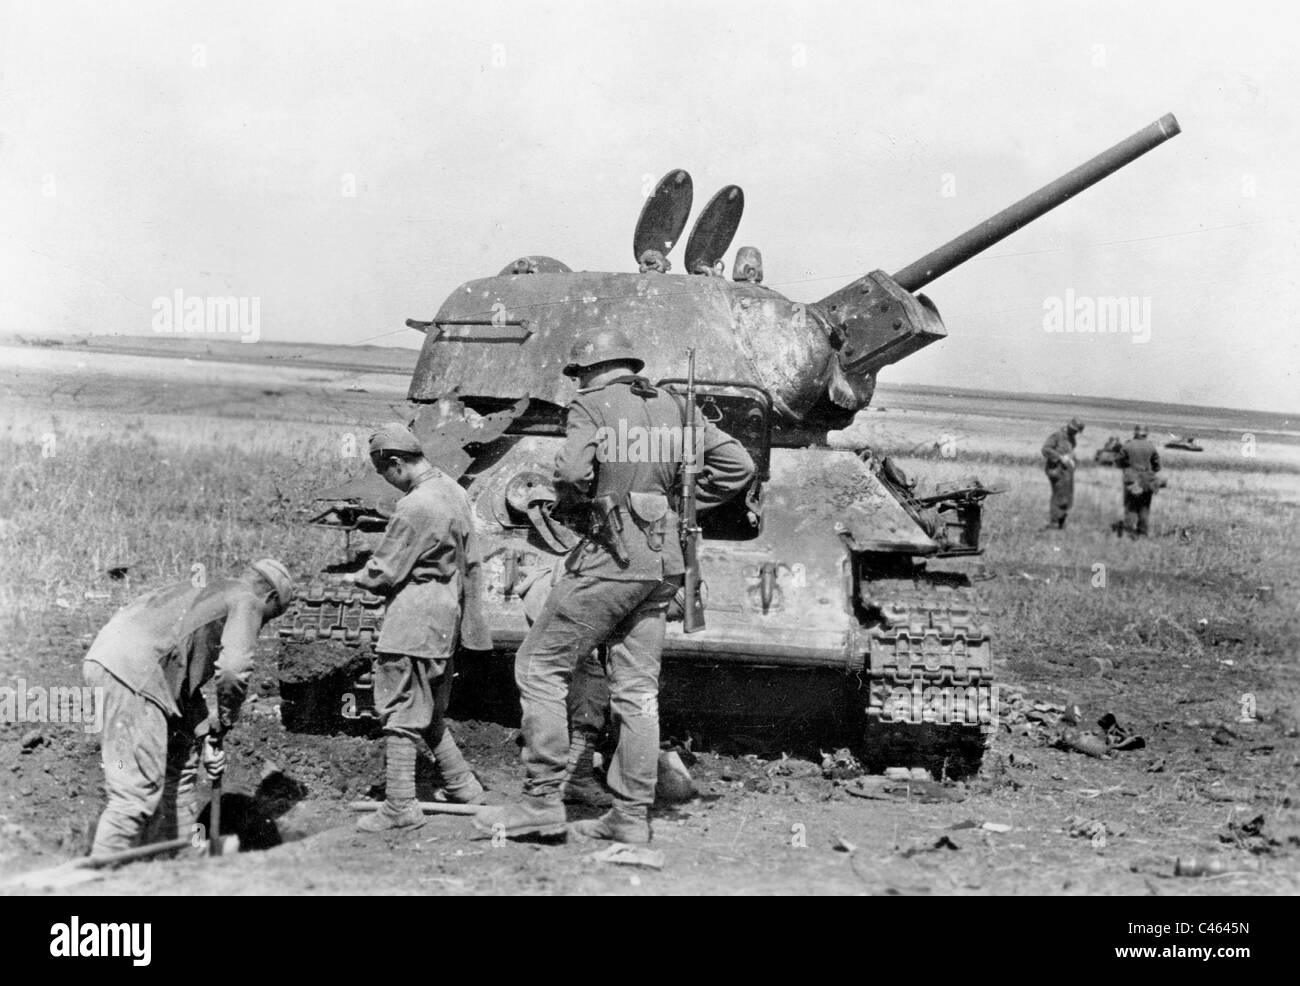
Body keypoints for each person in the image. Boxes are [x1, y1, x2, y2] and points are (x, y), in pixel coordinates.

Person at [477, 328, 754, 843]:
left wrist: (588, 498)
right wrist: (676, 507)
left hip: (610, 557)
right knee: (638, 692)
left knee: (539, 666)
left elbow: (576, 472)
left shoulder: (592, 405)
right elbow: (738, 466)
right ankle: (629, 818)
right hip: (664, 563)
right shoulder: (675, 404)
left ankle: (540, 801)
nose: (578, 381)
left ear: (589, 369)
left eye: (579, 373)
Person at [83, 558, 294, 856]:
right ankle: (99, 879)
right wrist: (225, 719)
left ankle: (180, 864)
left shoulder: (209, 592)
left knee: (181, 770)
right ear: (271, 599)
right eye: (270, 616)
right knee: (134, 794)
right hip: (137, 676)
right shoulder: (248, 599)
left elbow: (181, 676)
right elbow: (234, 670)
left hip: (114, 661)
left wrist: (208, 737)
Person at [347, 422, 494, 832]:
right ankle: (462, 784)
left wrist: (355, 577)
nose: (388, 483)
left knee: (398, 709)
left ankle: (399, 806)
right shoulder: (454, 489)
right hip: (445, 615)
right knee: (427, 708)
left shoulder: (415, 506)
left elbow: (384, 572)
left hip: (413, 618)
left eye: (384, 474)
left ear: (395, 463)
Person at [1118, 424, 1162, 538]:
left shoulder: (1127, 446)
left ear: (1135, 433)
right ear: (1146, 434)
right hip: (1147, 481)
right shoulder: (1151, 447)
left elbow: (1119, 461)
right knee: (1144, 507)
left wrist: (1127, 468)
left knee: (1131, 506)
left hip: (1131, 480)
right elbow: (1157, 466)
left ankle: (1129, 532)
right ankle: (1142, 532)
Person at [1041, 418, 1084, 529]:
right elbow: (1045, 449)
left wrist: (1072, 459)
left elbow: (1070, 451)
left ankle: (1061, 521)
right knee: (1058, 494)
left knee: (1067, 495)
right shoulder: (1057, 436)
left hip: (1066, 471)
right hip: (1056, 470)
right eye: (1073, 430)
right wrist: (1060, 457)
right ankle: (1054, 522)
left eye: (1076, 431)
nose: (1074, 432)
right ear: (1069, 426)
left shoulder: (1072, 438)